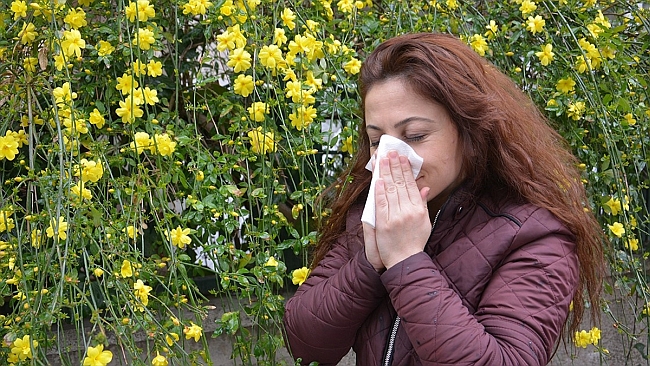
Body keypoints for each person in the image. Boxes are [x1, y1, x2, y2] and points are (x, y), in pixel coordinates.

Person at [283, 32, 605, 365]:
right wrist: (370, 262)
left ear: (471, 131)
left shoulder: (533, 236)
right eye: (377, 140)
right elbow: (305, 342)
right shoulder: (374, 212)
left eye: (415, 135)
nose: (390, 158)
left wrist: (406, 260)